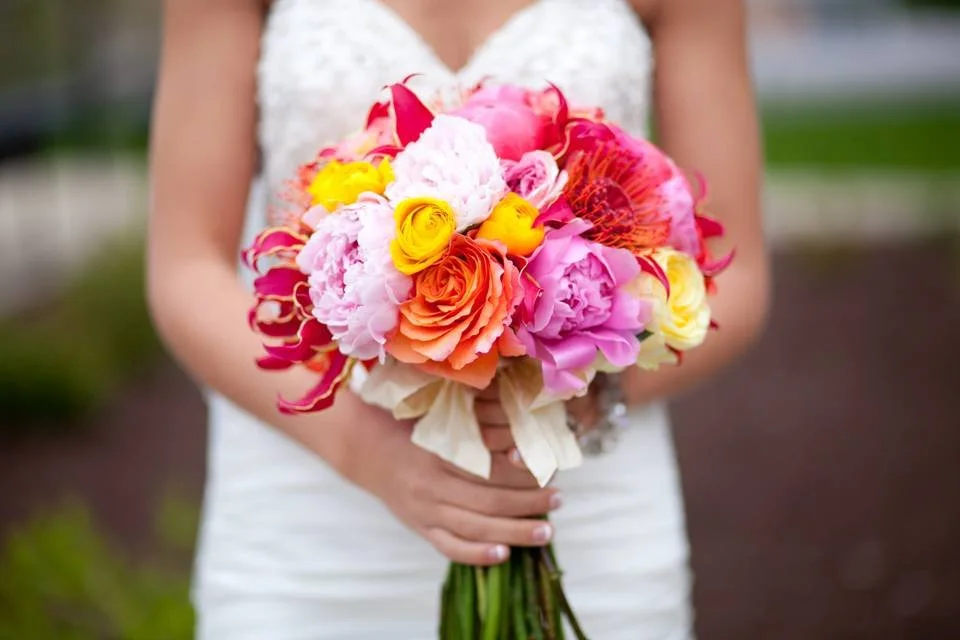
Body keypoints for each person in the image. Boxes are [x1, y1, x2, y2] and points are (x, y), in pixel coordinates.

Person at [148, 0, 769, 637]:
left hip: (579, 509)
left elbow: (737, 276)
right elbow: (185, 266)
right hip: (313, 514)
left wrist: (576, 397)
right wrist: (365, 450)